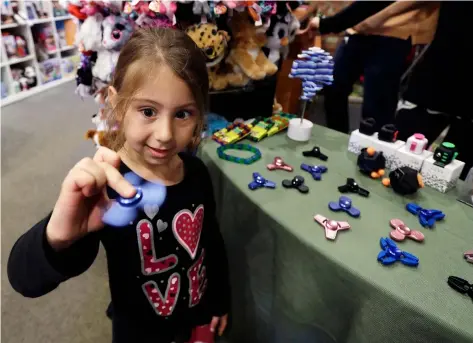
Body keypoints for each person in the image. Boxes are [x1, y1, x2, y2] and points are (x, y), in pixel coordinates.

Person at [7, 28, 230, 343]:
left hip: (195, 318)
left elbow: (211, 244)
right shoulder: (105, 191)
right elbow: (25, 279)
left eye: (182, 114)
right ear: (117, 103)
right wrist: (56, 238)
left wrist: (218, 301)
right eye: (148, 111)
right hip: (136, 331)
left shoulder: (196, 172)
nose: (165, 134)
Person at [298, 1, 439, 134]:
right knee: (334, 86)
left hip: (395, 33)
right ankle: (338, 139)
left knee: (376, 106)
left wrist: (328, 24)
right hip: (360, 30)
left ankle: (369, 151)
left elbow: (374, 3)